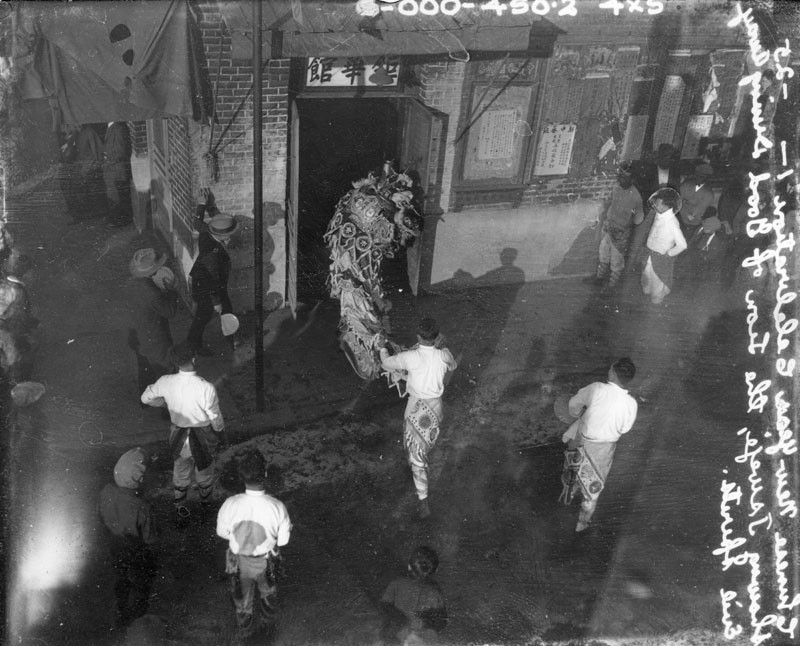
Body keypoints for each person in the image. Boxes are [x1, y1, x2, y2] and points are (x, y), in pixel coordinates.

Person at [379, 317, 458, 519]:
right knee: (421, 450)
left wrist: (382, 348)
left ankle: (423, 500)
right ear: (437, 336)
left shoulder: (410, 357)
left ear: (418, 336)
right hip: (436, 408)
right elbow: (452, 365)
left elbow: (387, 363)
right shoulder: (444, 355)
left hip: (415, 408)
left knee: (415, 454)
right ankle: (420, 471)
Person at [140, 342, 225, 521]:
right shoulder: (206, 387)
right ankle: (206, 507)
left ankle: (180, 508)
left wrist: (163, 403)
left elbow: (145, 398)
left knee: (180, 473)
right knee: (205, 473)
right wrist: (219, 432)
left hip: (178, 437)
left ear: (174, 362)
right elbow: (214, 416)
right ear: (194, 358)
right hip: (202, 438)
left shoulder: (165, 381)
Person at [216, 450, 292, 635]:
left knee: (242, 599)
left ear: (242, 477)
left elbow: (222, 533)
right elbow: (283, 540)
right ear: (265, 475)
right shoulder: (277, 506)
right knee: (268, 594)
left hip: (239, 563)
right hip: (266, 562)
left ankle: (247, 632)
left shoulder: (230, 503)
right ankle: (268, 628)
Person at [561, 358, 638, 533]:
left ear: (612, 372)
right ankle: (582, 523)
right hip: (605, 449)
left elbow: (573, 404)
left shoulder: (595, 388)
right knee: (594, 486)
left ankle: (568, 496)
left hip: (582, 441)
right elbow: (625, 429)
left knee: (572, 471)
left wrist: (578, 414)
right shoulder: (631, 404)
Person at [98, 447, 159, 629]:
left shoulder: (106, 492)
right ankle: (138, 615)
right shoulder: (142, 507)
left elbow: (100, 517)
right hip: (136, 549)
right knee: (142, 581)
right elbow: (150, 539)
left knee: (121, 578)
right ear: (138, 479)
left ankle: (122, 610)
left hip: (115, 545)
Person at [125, 248, 180, 398]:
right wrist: (171, 291)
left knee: (145, 367)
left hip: (136, 334)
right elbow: (169, 312)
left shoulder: (131, 285)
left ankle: (144, 399)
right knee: (165, 372)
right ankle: (166, 410)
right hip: (156, 338)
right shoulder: (152, 292)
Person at [584, 162, 644, 294]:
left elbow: (639, 219)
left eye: (625, 177)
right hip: (608, 228)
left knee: (616, 262)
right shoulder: (616, 187)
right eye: (620, 176)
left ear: (632, 179)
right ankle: (599, 279)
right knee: (603, 255)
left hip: (620, 234)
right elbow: (610, 202)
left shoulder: (635, 196)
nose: (621, 180)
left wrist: (625, 224)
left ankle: (611, 287)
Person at [187, 212, 240, 356]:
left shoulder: (206, 234)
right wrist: (216, 301)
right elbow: (212, 279)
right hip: (207, 287)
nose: (231, 236)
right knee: (203, 317)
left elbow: (197, 223)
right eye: (229, 234)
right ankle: (193, 346)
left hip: (204, 283)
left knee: (221, 311)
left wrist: (202, 205)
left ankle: (230, 339)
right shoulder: (212, 255)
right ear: (222, 235)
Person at [379, 546, 448, 645]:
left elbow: (384, 607)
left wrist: (402, 621)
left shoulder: (396, 583)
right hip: (422, 638)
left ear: (409, 566)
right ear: (435, 570)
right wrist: (424, 622)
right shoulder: (435, 590)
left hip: (397, 636)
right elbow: (442, 620)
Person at [640, 188, 687, 305]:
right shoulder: (658, 214)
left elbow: (682, 245)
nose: (654, 206)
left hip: (661, 257)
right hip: (649, 253)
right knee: (647, 275)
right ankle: (647, 292)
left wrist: (669, 254)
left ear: (666, 205)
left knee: (658, 280)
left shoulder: (672, 222)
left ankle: (656, 300)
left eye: (657, 203)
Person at [685, 207, 729, 288]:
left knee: (698, 275)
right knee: (691, 269)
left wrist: (705, 257)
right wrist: (688, 247)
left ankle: (696, 286)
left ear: (713, 230)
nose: (705, 227)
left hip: (703, 258)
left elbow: (712, 254)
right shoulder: (700, 228)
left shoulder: (716, 241)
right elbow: (693, 238)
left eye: (708, 228)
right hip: (694, 251)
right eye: (705, 225)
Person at [103, 121, 133, 227]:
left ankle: (120, 221)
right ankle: (116, 219)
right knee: (115, 195)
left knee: (118, 196)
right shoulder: (112, 127)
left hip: (117, 168)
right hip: (113, 168)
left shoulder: (118, 128)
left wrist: (108, 159)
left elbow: (121, 151)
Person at [678, 163, 716, 240]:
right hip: (679, 219)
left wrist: (686, 203)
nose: (698, 178)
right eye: (697, 175)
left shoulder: (709, 193)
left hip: (693, 224)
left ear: (706, 178)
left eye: (702, 177)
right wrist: (686, 213)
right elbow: (678, 202)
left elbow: (698, 210)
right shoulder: (685, 185)